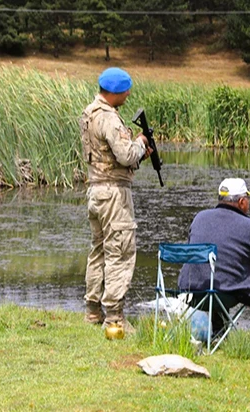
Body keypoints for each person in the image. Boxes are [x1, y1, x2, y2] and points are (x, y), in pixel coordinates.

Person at [78, 67, 153, 331]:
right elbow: (124, 155)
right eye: (126, 90)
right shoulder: (109, 118)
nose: (129, 94)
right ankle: (115, 317)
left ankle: (92, 310)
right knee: (119, 251)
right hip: (113, 195)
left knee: (98, 250)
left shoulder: (89, 113)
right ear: (115, 92)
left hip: (96, 190)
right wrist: (142, 144)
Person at [178, 178, 250, 345]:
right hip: (225, 295)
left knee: (213, 273)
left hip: (191, 293)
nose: (249, 204)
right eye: (248, 199)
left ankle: (219, 332)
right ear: (241, 201)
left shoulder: (199, 218)